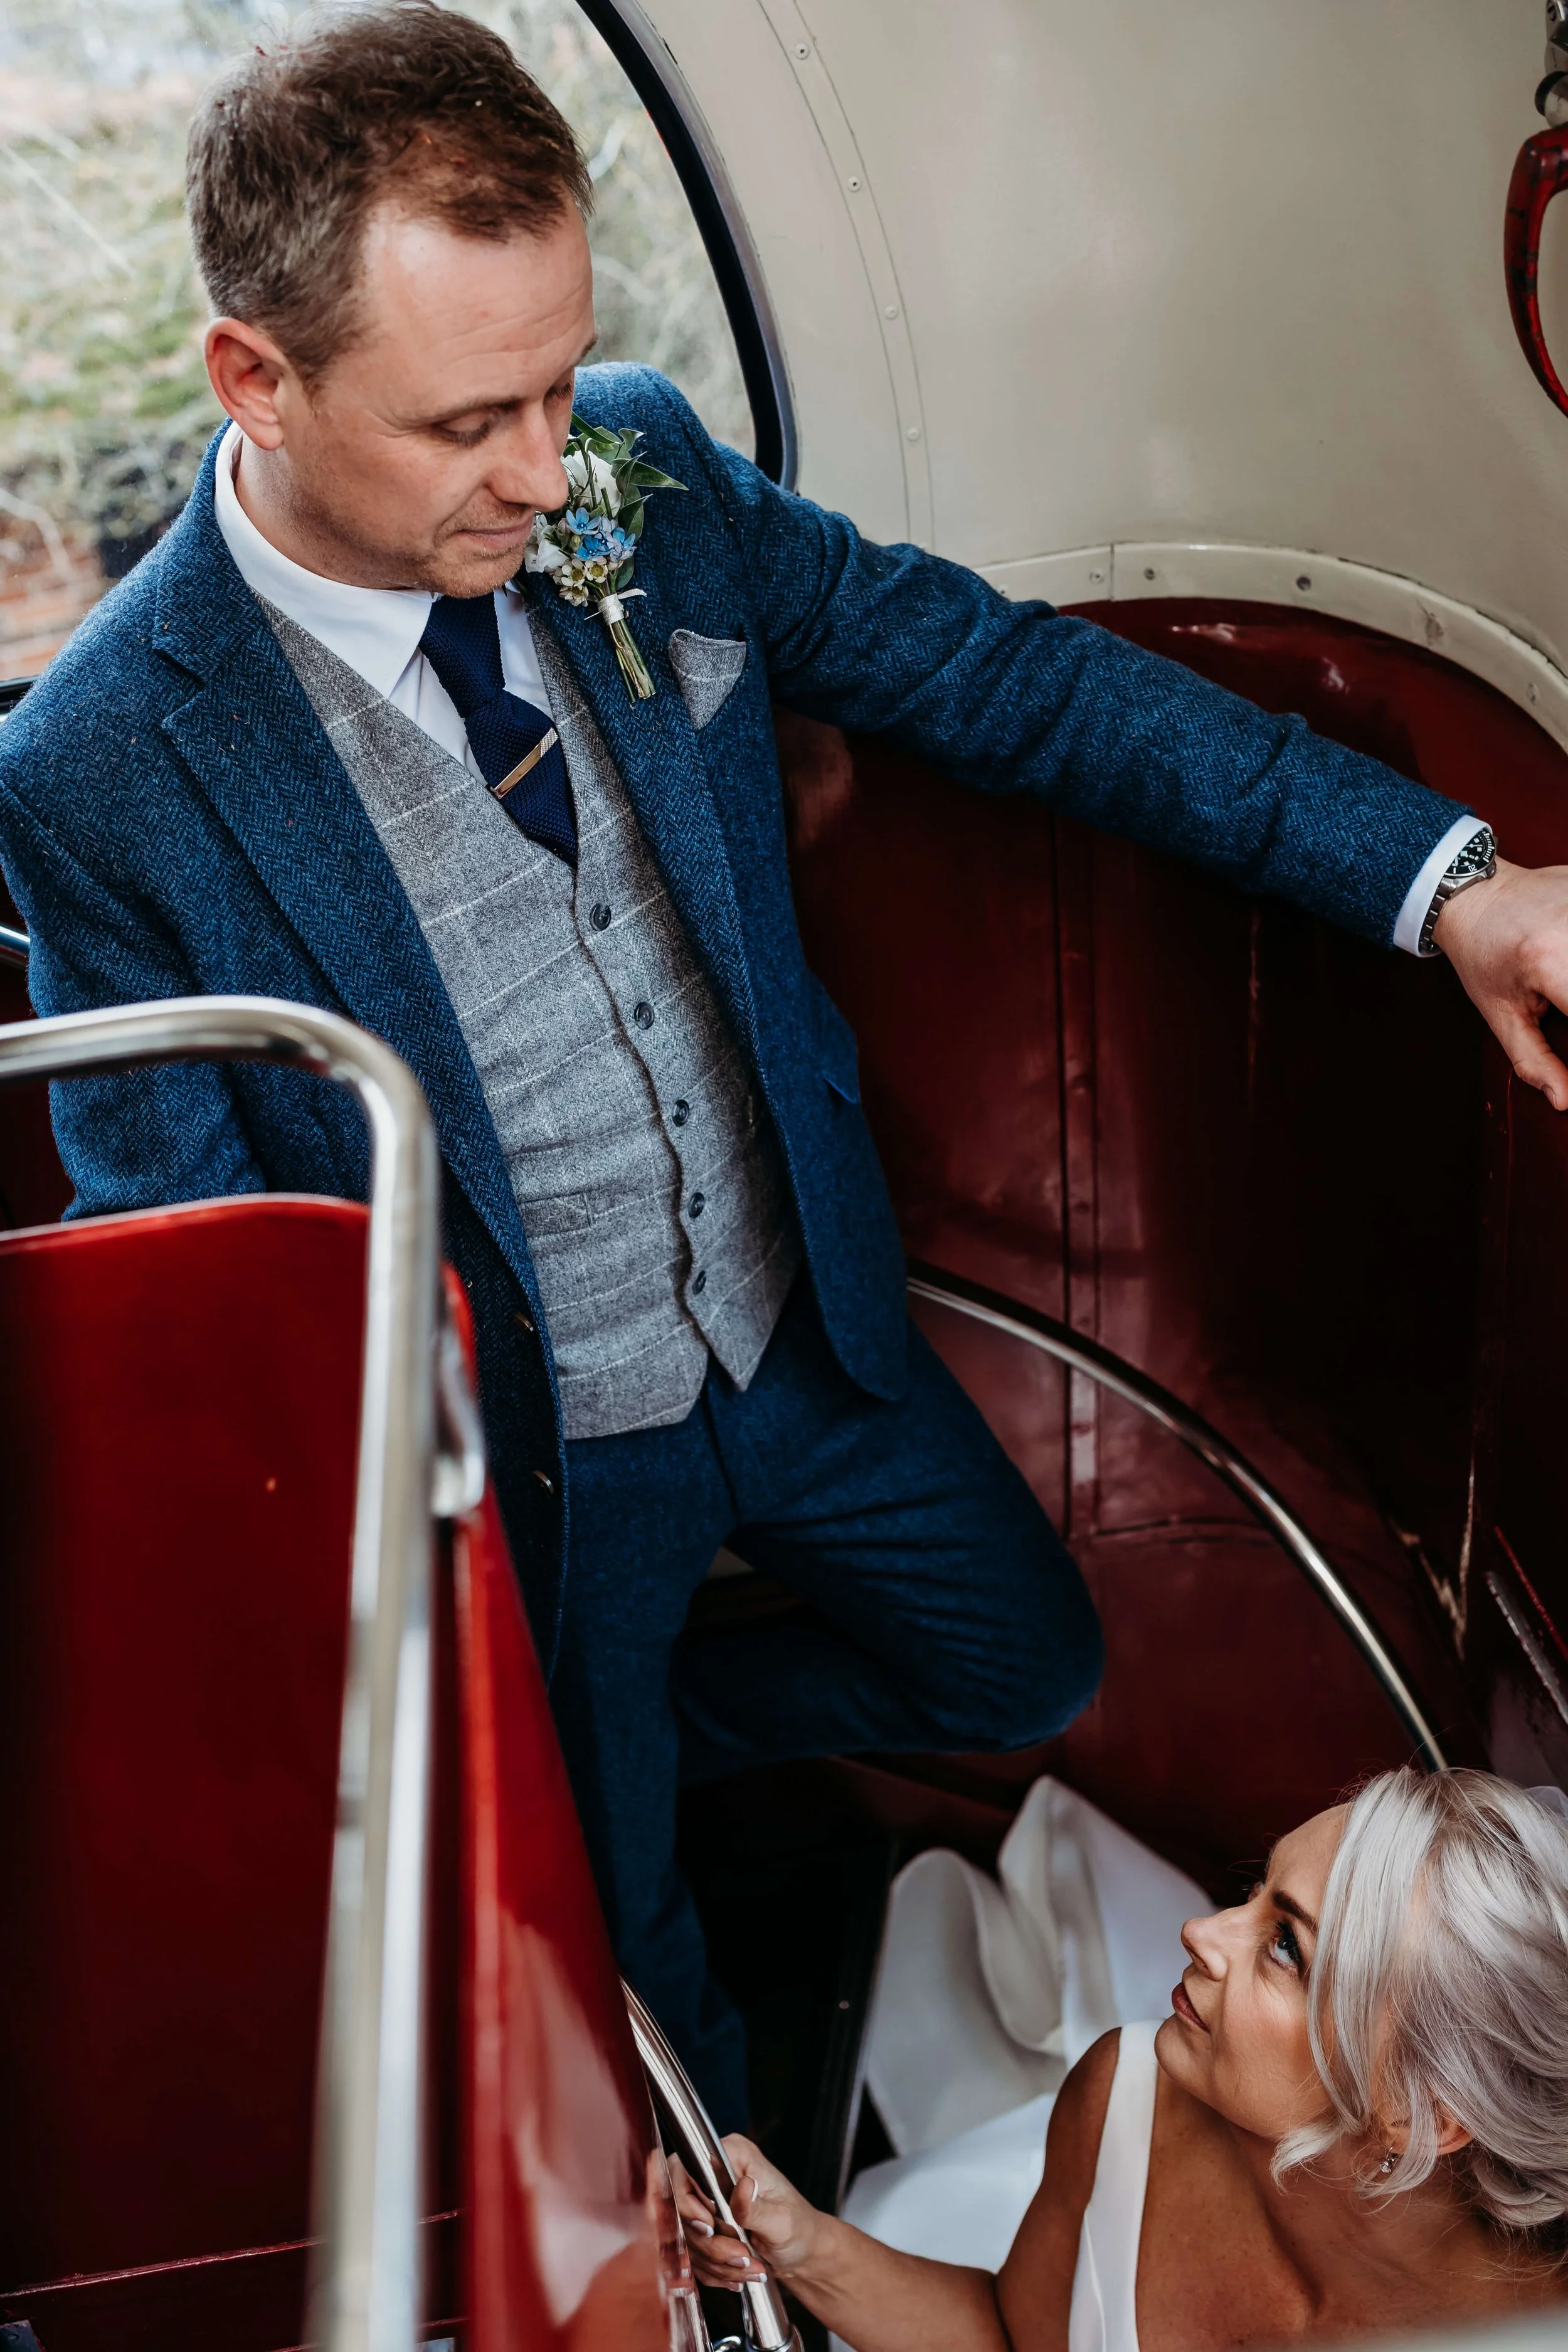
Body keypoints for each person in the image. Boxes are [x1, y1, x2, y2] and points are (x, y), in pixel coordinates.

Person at [2, 4, 1568, 2131]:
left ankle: (634, 1737)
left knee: (1022, 1662)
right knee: (628, 1945)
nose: (543, 473)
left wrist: (1445, 880)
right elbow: (184, 1243)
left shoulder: (636, 473)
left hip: (797, 1323)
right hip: (536, 1461)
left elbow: (1014, 685)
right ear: (252, 381)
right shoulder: (100, 760)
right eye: (468, 420)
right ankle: (717, 2159)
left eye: (560, 384)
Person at [678, 1769, 1568, 2349]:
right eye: (1254, 1892)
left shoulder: (1531, 2328)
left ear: (1419, 2111)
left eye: (1285, 1947)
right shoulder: (1124, 2096)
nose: (1201, 1931)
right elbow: (1011, 2338)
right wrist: (803, 2244)